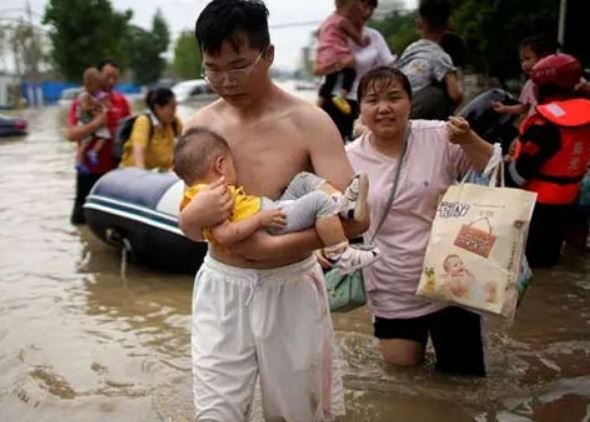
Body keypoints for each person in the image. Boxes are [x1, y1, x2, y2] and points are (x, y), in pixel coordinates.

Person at [181, 0, 368, 419]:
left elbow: (356, 216)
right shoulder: (198, 129)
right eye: (213, 68)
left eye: (239, 65)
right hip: (221, 287)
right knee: (214, 413)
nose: (226, 80)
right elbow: (191, 227)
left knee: (295, 412)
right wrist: (193, 220)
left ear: (269, 55)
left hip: (291, 286)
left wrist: (273, 251)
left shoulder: (308, 122)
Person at [344, 66, 493, 376]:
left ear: (410, 103)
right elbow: (336, 216)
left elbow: (492, 169)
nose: (384, 108)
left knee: (464, 382)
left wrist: (468, 139)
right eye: (372, 100)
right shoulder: (348, 158)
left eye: (394, 97)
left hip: (451, 280)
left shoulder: (440, 136)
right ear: (361, 109)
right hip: (390, 285)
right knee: (403, 380)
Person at [174, 126, 378, 271]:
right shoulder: (213, 195)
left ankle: (343, 205)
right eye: (233, 163)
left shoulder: (200, 194)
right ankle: (339, 252)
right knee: (318, 201)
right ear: (220, 165)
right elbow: (225, 236)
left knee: (303, 180)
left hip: (270, 209)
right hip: (270, 222)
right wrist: (260, 220)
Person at [507, 53, 590, 268]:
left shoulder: (544, 124)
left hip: (538, 205)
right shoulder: (585, 116)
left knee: (527, 266)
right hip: (568, 200)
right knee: (550, 260)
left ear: (540, 87)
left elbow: (520, 173)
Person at [314, 0, 396, 141]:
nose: (367, 12)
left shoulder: (374, 37)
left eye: (371, 8)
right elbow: (317, 70)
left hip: (364, 102)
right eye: (363, 6)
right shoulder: (333, 33)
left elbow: (390, 69)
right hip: (335, 101)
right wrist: (341, 64)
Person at [66, 59, 131, 225]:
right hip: (88, 169)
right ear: (98, 76)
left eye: (115, 77)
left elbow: (129, 134)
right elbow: (71, 135)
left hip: (114, 170)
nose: (111, 81)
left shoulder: (122, 102)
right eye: (108, 76)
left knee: (110, 220)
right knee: (81, 219)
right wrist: (95, 125)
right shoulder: (82, 101)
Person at [396, 0, 463, 120]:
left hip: (397, 105)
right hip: (414, 111)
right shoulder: (440, 56)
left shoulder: (410, 49)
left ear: (418, 23)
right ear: (449, 24)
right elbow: (455, 94)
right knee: (439, 93)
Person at [315, 0, 369, 115]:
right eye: (350, 11)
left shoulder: (327, 20)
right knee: (350, 70)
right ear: (344, 7)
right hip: (338, 52)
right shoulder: (343, 21)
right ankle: (341, 96)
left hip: (325, 53)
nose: (350, 14)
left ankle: (319, 104)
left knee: (330, 79)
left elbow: (317, 32)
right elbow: (356, 38)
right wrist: (364, 42)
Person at [491, 35, 556, 118]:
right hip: (535, 126)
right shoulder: (529, 84)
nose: (524, 64)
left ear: (543, 57)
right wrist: (504, 108)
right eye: (522, 60)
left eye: (528, 58)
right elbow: (524, 107)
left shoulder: (556, 81)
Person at [119, 87, 181, 171]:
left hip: (161, 173)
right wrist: (142, 176)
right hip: (135, 174)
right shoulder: (143, 122)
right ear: (158, 108)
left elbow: (185, 140)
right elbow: (138, 153)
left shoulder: (173, 122)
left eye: (175, 107)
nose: (174, 112)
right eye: (171, 108)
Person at [74, 67, 111, 173]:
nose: (98, 88)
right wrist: (95, 107)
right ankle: (79, 162)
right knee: (84, 143)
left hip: (91, 122)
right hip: (85, 123)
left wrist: (101, 104)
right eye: (97, 85)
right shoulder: (84, 96)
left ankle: (92, 152)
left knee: (103, 136)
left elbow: (106, 106)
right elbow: (85, 108)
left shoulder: (96, 95)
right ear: (89, 84)